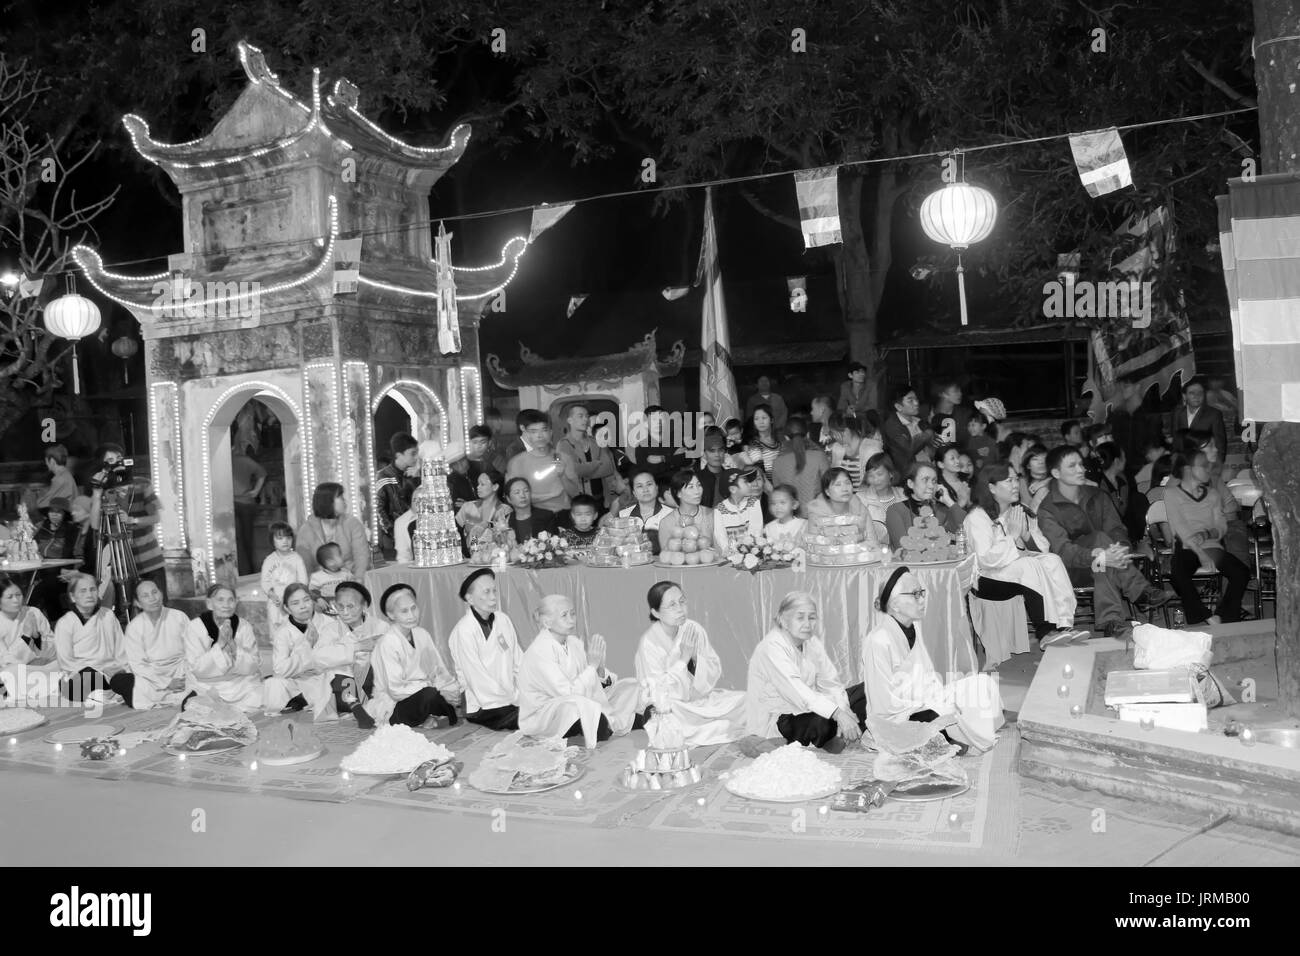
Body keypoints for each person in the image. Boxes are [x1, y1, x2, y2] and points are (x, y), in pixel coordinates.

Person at [1036, 446, 1173, 640]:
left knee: (1102, 554)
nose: (1081, 469)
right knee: (1099, 542)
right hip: (1071, 571)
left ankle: (1113, 623)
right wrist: (1100, 555)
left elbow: (1116, 529)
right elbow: (1063, 551)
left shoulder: (1096, 494)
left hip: (1107, 565)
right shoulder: (1048, 509)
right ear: (1056, 473)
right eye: (1072, 466)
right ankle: (1140, 592)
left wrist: (1118, 550)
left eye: (1081, 464)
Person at [861, 568, 1005, 752]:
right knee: (935, 716)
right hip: (897, 718)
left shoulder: (914, 627)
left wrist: (942, 698)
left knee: (981, 684)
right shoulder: (878, 641)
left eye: (922, 593)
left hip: (925, 699)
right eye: (915, 594)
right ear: (895, 604)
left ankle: (954, 734)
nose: (922, 600)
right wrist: (931, 704)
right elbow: (883, 705)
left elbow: (928, 676)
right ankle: (949, 738)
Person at [964, 463, 1086, 647]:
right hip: (986, 579)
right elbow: (986, 559)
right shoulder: (977, 517)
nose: (1015, 485)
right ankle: (1045, 631)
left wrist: (1026, 535)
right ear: (991, 488)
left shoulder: (1019, 511)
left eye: (1016, 479)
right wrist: (1012, 536)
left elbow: (1042, 548)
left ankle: (1063, 625)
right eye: (1008, 480)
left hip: (1017, 573)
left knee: (1052, 560)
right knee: (1029, 565)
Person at [745, 591, 863, 751]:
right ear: (783, 620)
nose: (807, 624)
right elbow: (799, 694)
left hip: (815, 705)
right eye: (800, 617)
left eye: (812, 617)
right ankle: (838, 731)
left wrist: (844, 710)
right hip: (783, 716)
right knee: (822, 723)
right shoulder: (771, 647)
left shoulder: (811, 642)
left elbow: (830, 683)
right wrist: (838, 715)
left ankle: (842, 730)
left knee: (866, 691)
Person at [634, 582, 746, 745]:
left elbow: (713, 669)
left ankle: (714, 724)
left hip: (697, 700)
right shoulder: (649, 643)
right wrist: (684, 659)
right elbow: (657, 690)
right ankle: (716, 726)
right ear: (656, 613)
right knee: (666, 718)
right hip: (668, 705)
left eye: (682, 601)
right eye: (672, 605)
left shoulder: (693, 629)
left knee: (746, 700)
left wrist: (696, 658)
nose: (680, 609)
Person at [517, 594, 636, 748]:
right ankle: (617, 723)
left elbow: (589, 680)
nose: (571, 619)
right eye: (564, 615)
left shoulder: (574, 643)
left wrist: (599, 669)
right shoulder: (540, 651)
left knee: (631, 686)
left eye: (572, 613)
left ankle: (633, 719)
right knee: (587, 709)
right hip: (545, 715)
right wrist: (592, 667)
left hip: (576, 701)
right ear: (547, 622)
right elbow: (567, 693)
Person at [1163, 450, 1249, 625]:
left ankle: (1225, 615)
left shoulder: (1213, 494)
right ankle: (1204, 615)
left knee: (1241, 572)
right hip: (1187, 546)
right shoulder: (1172, 494)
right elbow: (1179, 528)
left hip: (1211, 545)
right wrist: (1200, 553)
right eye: (1203, 466)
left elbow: (1221, 525)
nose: (1209, 469)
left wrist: (1207, 534)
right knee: (1179, 571)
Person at [368, 584, 463, 728]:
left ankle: (435, 713)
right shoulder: (387, 642)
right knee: (430, 696)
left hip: (426, 692)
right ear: (391, 615)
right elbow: (395, 690)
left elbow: (438, 671)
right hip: (395, 704)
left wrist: (451, 691)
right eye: (404, 611)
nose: (412, 615)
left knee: (460, 692)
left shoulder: (422, 634)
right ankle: (431, 714)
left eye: (414, 608)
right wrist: (435, 690)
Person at [264, 582, 359, 721]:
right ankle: (303, 699)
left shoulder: (330, 623)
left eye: (307, 600)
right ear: (286, 608)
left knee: (353, 693)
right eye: (295, 603)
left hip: (330, 678)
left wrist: (319, 653)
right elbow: (280, 670)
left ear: (312, 601)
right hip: (300, 682)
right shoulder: (283, 632)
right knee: (273, 685)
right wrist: (306, 647)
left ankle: (304, 700)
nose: (303, 606)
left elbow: (347, 653)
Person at [88, 443, 166, 601]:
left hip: (150, 558)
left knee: (158, 603)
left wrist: (133, 520)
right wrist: (97, 494)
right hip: (121, 562)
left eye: (118, 458)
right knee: (127, 607)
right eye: (110, 460)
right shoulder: (104, 492)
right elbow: (95, 525)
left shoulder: (142, 484)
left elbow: (156, 517)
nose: (116, 462)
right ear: (103, 466)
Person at [447, 568, 523, 731]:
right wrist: (511, 697)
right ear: (470, 598)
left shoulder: (503, 620)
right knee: (529, 717)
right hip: (483, 703)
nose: (493, 597)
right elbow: (476, 677)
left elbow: (518, 659)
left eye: (494, 591)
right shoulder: (464, 631)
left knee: (541, 704)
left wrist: (524, 689)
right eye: (486, 592)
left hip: (510, 695)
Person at [54, 573, 134, 705]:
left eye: (93, 589)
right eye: (83, 591)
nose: (89, 594)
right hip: (81, 674)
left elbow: (121, 650)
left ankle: (118, 690)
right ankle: (113, 691)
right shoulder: (65, 623)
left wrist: (122, 669)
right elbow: (66, 662)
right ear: (72, 597)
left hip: (112, 672)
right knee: (85, 680)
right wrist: (100, 671)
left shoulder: (108, 615)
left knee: (129, 677)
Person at [183, 583, 264, 711]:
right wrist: (220, 644)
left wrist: (234, 646)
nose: (226, 605)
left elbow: (254, 663)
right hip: (206, 685)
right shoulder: (195, 627)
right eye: (220, 600)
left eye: (230, 600)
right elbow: (196, 668)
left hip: (240, 683)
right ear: (210, 603)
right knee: (197, 707)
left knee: (265, 695)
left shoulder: (244, 626)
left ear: (236, 603)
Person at [119, 579, 189, 709]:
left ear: (161, 594)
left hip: (181, 670)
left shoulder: (179, 617)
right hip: (152, 677)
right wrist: (167, 683)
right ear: (137, 603)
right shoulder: (134, 627)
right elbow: (138, 664)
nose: (152, 598)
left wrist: (182, 675)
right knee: (120, 682)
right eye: (145, 596)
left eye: (154, 592)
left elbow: (192, 650)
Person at [506, 409, 581, 512]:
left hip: (562, 514)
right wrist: (544, 497)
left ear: (551, 433)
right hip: (534, 516)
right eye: (534, 431)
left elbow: (575, 493)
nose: (540, 435)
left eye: (544, 430)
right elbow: (513, 497)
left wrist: (562, 475)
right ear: (527, 435)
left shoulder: (563, 457)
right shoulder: (517, 462)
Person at [885, 462, 967, 550]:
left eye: (934, 481)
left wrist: (949, 502)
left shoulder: (941, 510)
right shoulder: (895, 510)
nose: (931, 486)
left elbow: (965, 529)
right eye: (925, 480)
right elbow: (902, 548)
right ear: (911, 483)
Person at [296, 482, 370, 577]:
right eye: (340, 497)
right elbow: (303, 566)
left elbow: (362, 557)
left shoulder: (353, 523)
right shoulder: (306, 530)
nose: (345, 501)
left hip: (350, 580)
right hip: (318, 585)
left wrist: (358, 581)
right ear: (328, 501)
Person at [556, 402, 617, 505]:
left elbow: (608, 468)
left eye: (586, 416)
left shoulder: (595, 441)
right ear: (569, 420)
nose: (585, 419)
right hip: (579, 502)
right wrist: (595, 464)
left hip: (602, 499)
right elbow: (573, 471)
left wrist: (583, 472)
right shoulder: (563, 444)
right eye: (580, 416)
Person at [805, 467, 881, 547]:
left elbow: (873, 542)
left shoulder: (860, 509)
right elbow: (813, 545)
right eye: (838, 484)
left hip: (859, 557)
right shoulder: (817, 512)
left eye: (847, 483)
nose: (844, 488)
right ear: (827, 492)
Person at [334, 581, 380, 707]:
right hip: (344, 686)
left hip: (372, 684)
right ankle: (359, 708)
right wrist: (356, 647)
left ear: (364, 606)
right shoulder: (330, 629)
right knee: (341, 678)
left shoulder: (380, 627)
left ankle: (362, 704)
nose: (345, 612)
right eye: (340, 607)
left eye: (350, 606)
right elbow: (319, 657)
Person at [375, 433, 419, 560]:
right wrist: (394, 533)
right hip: (393, 541)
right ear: (399, 455)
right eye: (412, 453)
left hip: (415, 535)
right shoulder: (384, 476)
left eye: (417, 453)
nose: (416, 457)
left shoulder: (413, 475)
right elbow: (379, 510)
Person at [0, 574, 56, 670]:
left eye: (18, 595)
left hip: (42, 667)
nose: (16, 600)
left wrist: (37, 637)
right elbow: (6, 664)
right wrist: (26, 636)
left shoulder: (33, 613)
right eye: (10, 597)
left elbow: (53, 649)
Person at [772, 416, 828, 511]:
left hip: (790, 519)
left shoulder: (777, 462)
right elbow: (829, 487)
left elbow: (778, 494)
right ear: (808, 435)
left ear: (785, 437)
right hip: (817, 516)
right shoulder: (820, 456)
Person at [261, 521, 307, 634]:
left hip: (293, 601)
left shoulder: (297, 559)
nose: (285, 541)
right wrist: (271, 594)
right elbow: (265, 581)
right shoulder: (269, 560)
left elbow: (303, 581)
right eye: (280, 538)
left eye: (288, 538)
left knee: (295, 630)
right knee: (277, 632)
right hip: (275, 603)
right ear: (272, 540)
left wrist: (295, 596)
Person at [627, 406, 688, 488]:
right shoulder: (641, 446)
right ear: (645, 424)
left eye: (661, 418)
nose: (658, 422)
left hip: (677, 485)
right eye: (654, 420)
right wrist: (673, 459)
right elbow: (647, 472)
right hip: (655, 488)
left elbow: (686, 460)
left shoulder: (676, 440)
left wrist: (663, 458)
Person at [608, 470, 671, 546]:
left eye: (649, 484)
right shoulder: (623, 515)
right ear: (634, 492)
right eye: (639, 486)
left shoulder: (671, 514)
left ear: (657, 488)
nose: (645, 490)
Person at [656, 470, 715, 551]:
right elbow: (666, 556)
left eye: (699, 485)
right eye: (691, 487)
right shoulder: (666, 522)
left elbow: (721, 549)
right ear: (678, 493)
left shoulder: (713, 515)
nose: (697, 491)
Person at [231, 445, 267, 574]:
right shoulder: (245, 460)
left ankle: (240, 569)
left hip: (231, 503)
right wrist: (256, 491)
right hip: (246, 502)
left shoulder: (224, 460)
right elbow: (262, 473)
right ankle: (249, 569)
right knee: (247, 538)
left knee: (235, 538)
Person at [882, 383, 934, 475]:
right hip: (908, 475)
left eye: (916, 399)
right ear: (898, 407)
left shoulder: (919, 421)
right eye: (910, 401)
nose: (916, 403)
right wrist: (927, 434)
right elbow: (909, 448)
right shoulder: (892, 425)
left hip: (928, 469)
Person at [1171, 378, 1227, 462]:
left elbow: (1220, 442)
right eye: (1192, 393)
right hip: (1184, 462)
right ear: (1184, 396)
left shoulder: (1214, 414)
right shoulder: (1178, 413)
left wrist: (1219, 464)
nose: (1196, 396)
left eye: (1200, 393)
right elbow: (1176, 439)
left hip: (1205, 461)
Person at [857, 453, 907, 543]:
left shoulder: (904, 495)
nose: (875, 480)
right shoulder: (860, 499)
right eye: (871, 476)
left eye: (879, 474)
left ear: (891, 473)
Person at [456, 469, 510, 550]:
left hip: (497, 557)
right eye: (478, 484)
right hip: (472, 557)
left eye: (482, 484)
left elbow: (506, 537)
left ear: (495, 487)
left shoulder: (505, 510)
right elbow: (456, 532)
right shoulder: (468, 507)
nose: (478, 487)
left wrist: (487, 525)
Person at [827, 412, 882, 491]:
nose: (834, 436)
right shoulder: (836, 448)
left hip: (866, 499)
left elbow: (877, 479)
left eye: (837, 432)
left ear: (848, 429)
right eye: (832, 433)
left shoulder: (872, 449)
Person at [713, 466, 765, 548]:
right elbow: (721, 538)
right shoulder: (719, 510)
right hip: (731, 556)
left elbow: (756, 531)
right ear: (733, 489)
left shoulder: (753, 502)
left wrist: (749, 551)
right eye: (745, 482)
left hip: (752, 552)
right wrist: (734, 554)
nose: (750, 484)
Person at [502, 477, 559, 543]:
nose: (522, 495)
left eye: (526, 491)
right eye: (517, 492)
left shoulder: (546, 516)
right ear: (509, 499)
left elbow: (554, 543)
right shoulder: (506, 521)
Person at [928, 380, 972, 447]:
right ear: (942, 393)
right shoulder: (925, 412)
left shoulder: (965, 414)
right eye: (956, 391)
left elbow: (968, 442)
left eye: (960, 390)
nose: (960, 393)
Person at [692, 430, 728, 507]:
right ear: (704, 454)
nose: (717, 455)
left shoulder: (732, 477)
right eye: (712, 451)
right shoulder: (696, 479)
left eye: (720, 450)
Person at [37, 443, 79, 511]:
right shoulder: (66, 475)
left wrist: (38, 496)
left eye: (46, 461)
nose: (46, 464)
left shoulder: (60, 479)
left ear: (52, 461)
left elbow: (43, 504)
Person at [933, 443, 972, 511]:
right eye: (952, 458)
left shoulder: (966, 478)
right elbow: (944, 518)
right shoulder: (938, 488)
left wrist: (969, 501)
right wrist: (961, 502)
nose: (957, 461)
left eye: (958, 457)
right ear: (941, 464)